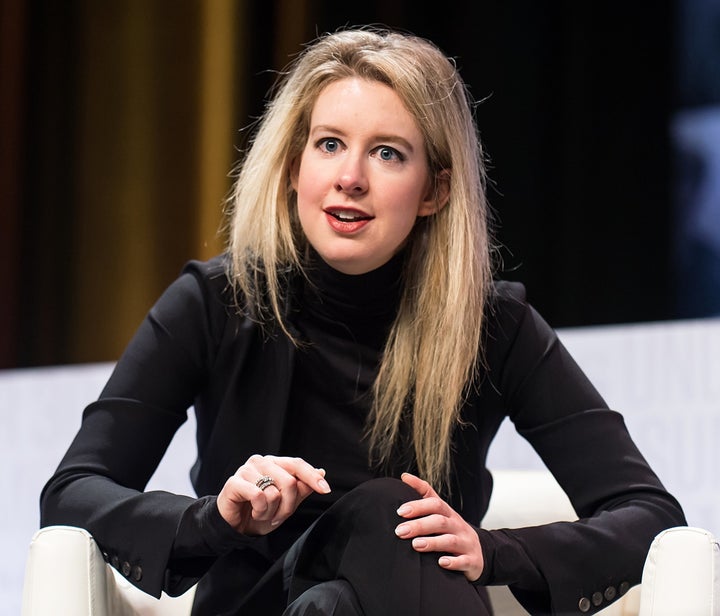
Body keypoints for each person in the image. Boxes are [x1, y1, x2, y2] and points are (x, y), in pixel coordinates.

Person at [40, 26, 686, 616]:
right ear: (296, 167)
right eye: (329, 145)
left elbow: (649, 515)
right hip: (254, 606)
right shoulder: (217, 301)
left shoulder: (491, 325)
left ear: (434, 190)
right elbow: (72, 493)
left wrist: (497, 553)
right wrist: (218, 520)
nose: (350, 177)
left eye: (387, 154)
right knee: (388, 512)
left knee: (343, 589)